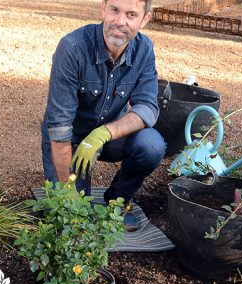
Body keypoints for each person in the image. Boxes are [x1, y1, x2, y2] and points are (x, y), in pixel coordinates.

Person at [41, 0, 166, 231]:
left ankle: (116, 202)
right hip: (70, 139)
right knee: (73, 218)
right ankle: (72, 193)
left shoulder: (144, 49)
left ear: (144, 19)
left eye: (131, 14)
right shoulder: (73, 48)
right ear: (103, 9)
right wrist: (69, 191)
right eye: (114, 10)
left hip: (110, 137)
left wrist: (103, 133)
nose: (119, 22)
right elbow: (59, 126)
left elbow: (148, 107)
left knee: (152, 145)